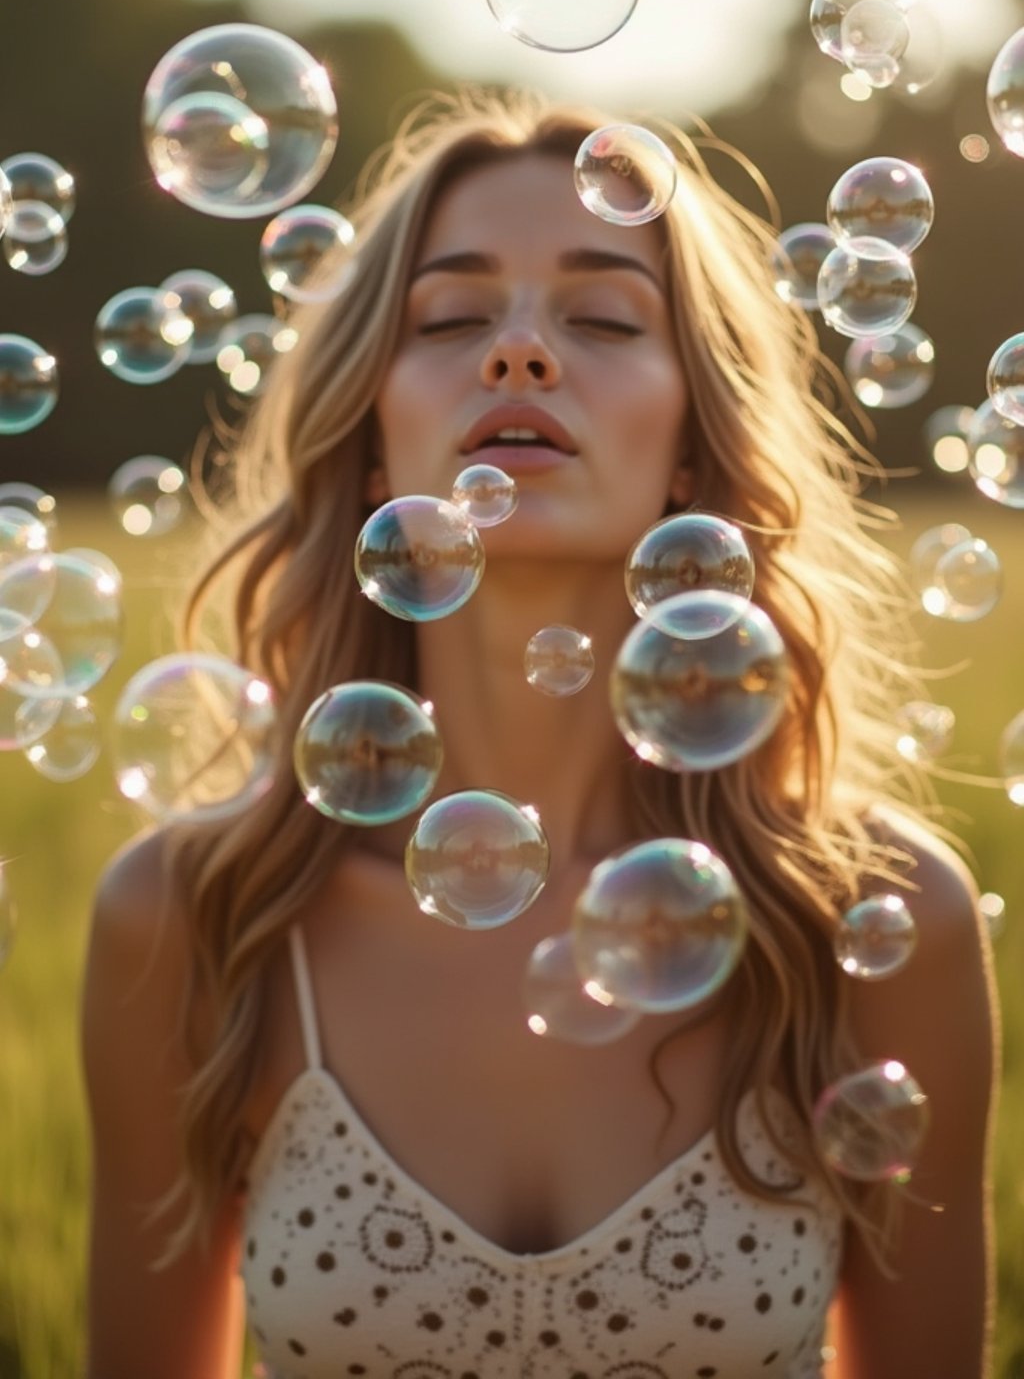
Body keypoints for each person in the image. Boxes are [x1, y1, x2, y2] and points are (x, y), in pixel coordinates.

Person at [81, 89, 999, 1379]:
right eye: (452, 317)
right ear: (367, 438)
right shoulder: (194, 917)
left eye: (604, 316)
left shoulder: (874, 920)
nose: (518, 351)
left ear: (694, 442)